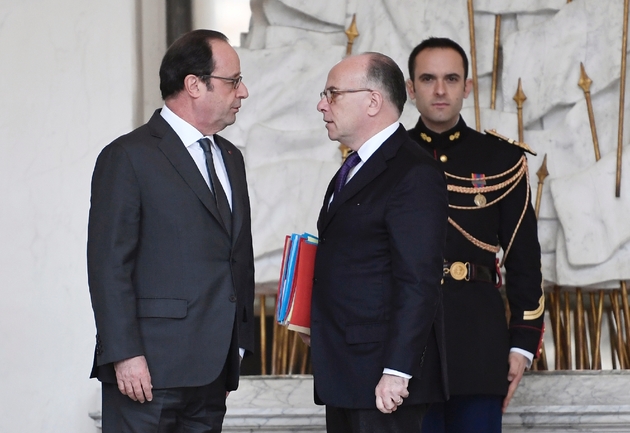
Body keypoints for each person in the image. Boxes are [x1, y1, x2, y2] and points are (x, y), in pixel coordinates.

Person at [87, 29, 254, 433]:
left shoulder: (230, 157)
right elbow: (109, 265)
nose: (243, 92)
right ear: (194, 85)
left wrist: (237, 347)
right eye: (233, 81)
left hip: (212, 372)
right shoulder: (128, 156)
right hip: (148, 372)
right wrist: (124, 354)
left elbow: (235, 255)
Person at [406, 37, 545, 432]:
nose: (439, 90)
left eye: (451, 78)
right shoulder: (391, 155)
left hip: (479, 341)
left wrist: (521, 343)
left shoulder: (501, 159)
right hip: (406, 346)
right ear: (410, 89)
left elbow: (523, 258)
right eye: (428, 79)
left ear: (467, 87)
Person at [306, 51, 449, 433]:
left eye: (332, 93)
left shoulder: (412, 171)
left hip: (383, 379)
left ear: (372, 101)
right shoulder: (354, 166)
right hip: (346, 370)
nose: (322, 105)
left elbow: (418, 280)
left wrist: (397, 370)